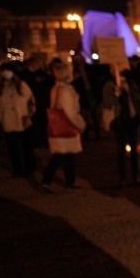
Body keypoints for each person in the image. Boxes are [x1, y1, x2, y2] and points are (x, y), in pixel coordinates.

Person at [40, 60, 86, 193]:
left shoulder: (57, 88)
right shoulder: (65, 90)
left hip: (59, 126)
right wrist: (81, 124)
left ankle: (69, 180)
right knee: (60, 156)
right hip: (66, 126)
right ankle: (46, 182)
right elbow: (70, 112)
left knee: (67, 155)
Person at [103, 68, 140, 188]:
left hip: (133, 119)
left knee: (134, 149)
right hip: (120, 121)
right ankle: (122, 178)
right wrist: (116, 94)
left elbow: (138, 101)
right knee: (121, 150)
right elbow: (107, 103)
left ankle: (135, 176)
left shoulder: (131, 83)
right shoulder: (109, 85)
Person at [0, 62, 37, 177]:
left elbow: (31, 101)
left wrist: (29, 115)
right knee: (13, 148)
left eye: (8, 70)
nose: (6, 73)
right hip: (8, 121)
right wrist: (1, 117)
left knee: (26, 145)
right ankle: (17, 169)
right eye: (4, 71)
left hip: (23, 120)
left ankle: (29, 167)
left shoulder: (21, 85)